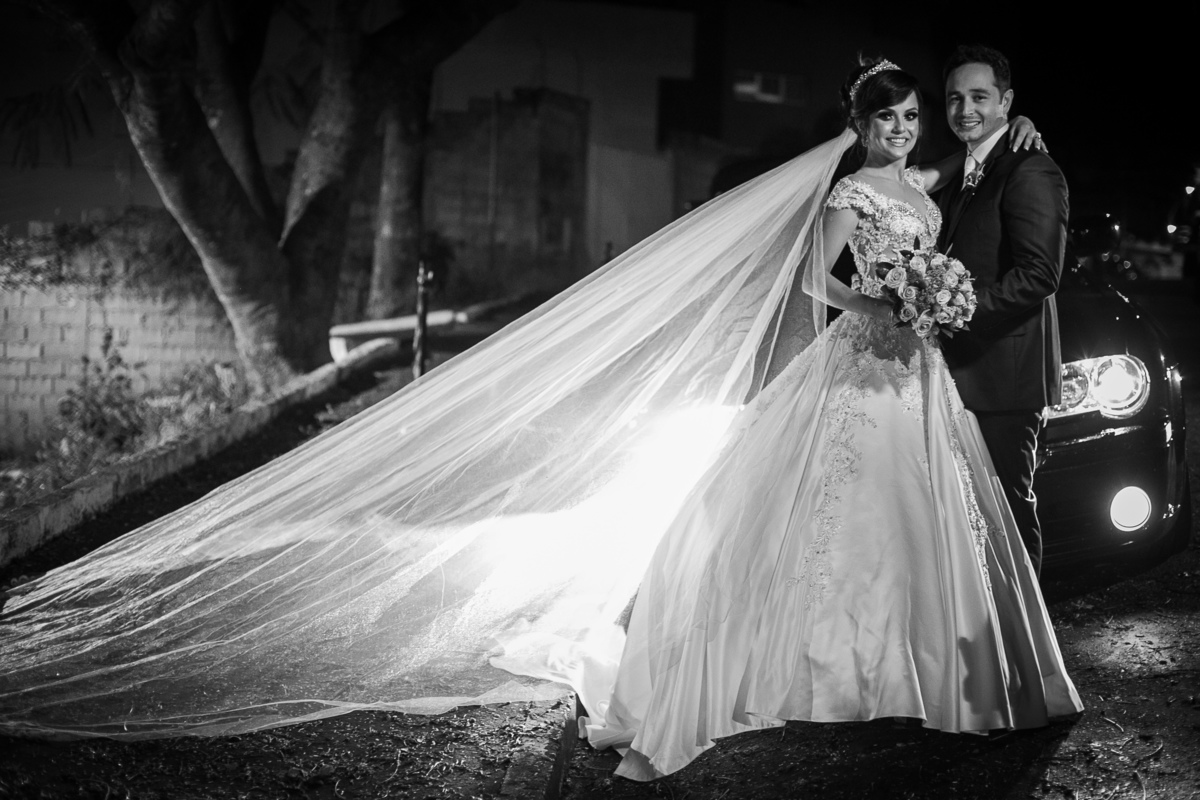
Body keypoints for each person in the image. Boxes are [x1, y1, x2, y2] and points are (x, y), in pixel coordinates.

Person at [0, 56, 1080, 784]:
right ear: (857, 125)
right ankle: (819, 667)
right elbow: (817, 292)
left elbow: (986, 235)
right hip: (859, 362)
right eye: (886, 116)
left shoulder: (939, 191)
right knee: (827, 518)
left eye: (911, 115)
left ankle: (920, 666)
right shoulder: (850, 195)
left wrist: (931, 295)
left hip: (918, 377)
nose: (902, 127)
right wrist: (885, 296)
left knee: (918, 523)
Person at [936, 45, 1069, 577]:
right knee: (961, 514)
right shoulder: (963, 170)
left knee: (1006, 514)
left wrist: (952, 313)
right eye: (954, 98)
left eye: (979, 96)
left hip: (1004, 374)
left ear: (1006, 101)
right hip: (953, 372)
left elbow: (1040, 274)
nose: (965, 109)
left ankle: (1024, 649)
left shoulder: (1032, 167)